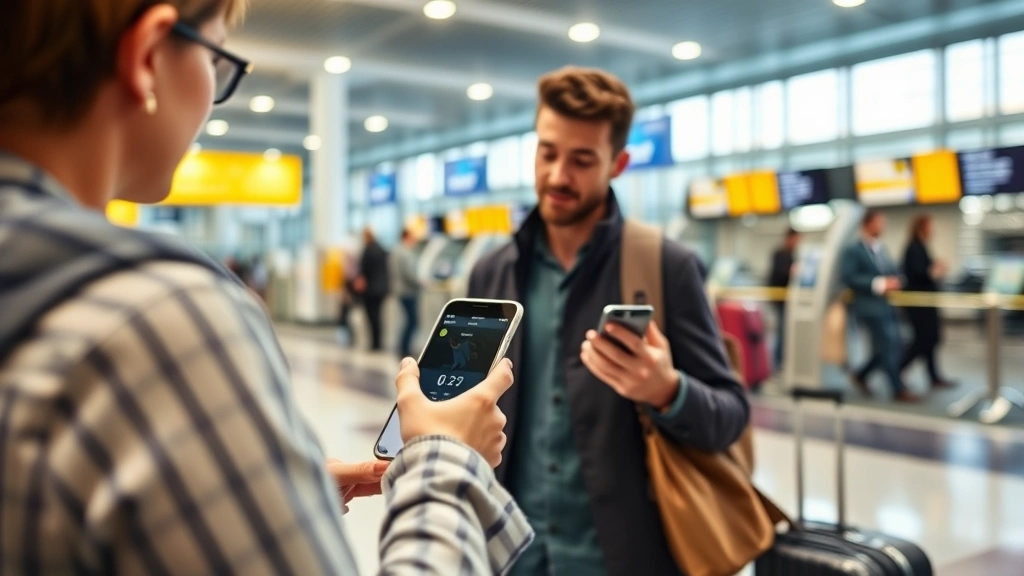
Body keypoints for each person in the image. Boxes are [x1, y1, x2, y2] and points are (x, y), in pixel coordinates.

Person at [0, 1, 531, 573]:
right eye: (216, 57)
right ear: (148, 55)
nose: (211, 89)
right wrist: (447, 462)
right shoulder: (161, 316)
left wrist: (254, 499)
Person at [468, 66, 749, 576]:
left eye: (581, 160)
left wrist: (667, 390)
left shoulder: (665, 266)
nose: (557, 176)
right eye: (547, 153)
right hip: (508, 553)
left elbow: (730, 415)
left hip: (623, 556)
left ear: (618, 163)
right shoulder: (494, 272)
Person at [841, 209, 920, 403]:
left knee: (891, 344)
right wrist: (879, 283)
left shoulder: (881, 249)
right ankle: (897, 388)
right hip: (868, 306)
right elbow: (849, 278)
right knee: (887, 343)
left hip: (886, 305)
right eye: (878, 222)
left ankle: (861, 375)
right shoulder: (854, 250)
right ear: (867, 224)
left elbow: (892, 271)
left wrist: (896, 281)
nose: (882, 227)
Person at [901, 214, 955, 389]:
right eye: (930, 226)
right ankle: (898, 367)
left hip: (927, 302)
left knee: (931, 339)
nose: (933, 230)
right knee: (923, 340)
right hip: (918, 304)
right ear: (922, 227)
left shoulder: (922, 247)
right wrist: (935, 270)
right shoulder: (914, 248)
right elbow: (921, 274)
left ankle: (933, 377)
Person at [768, 228, 800, 370]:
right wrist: (792, 271)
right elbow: (780, 274)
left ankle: (783, 360)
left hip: (788, 300)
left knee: (786, 331)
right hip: (779, 299)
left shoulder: (793, 255)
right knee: (781, 331)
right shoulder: (780, 254)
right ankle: (777, 362)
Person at [356, 227, 390, 351]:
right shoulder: (381, 249)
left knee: (372, 317)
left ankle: (374, 344)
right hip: (382, 289)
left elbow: (364, 272)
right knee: (378, 316)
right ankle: (379, 342)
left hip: (370, 290)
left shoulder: (367, 250)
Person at [390, 227, 422, 357]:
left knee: (409, 320)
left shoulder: (396, 250)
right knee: (412, 321)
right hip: (408, 291)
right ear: (407, 237)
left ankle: (403, 346)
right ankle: (404, 348)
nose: (414, 240)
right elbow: (408, 274)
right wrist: (422, 282)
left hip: (401, 290)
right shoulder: (404, 252)